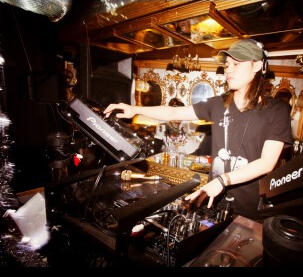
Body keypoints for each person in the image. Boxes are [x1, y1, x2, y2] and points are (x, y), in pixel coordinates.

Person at [103, 39, 292, 222]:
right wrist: (134, 109)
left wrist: (222, 180)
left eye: (236, 64)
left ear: (257, 66)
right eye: (227, 65)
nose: (228, 70)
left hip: (249, 212)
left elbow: (267, 163)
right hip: (213, 204)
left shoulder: (278, 111)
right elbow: (173, 112)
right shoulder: (218, 104)